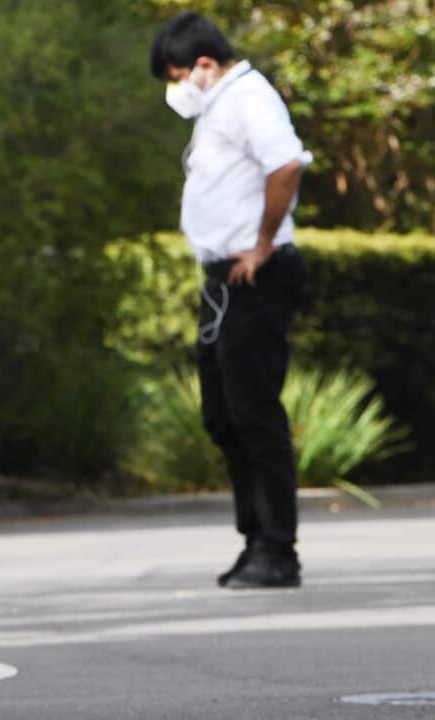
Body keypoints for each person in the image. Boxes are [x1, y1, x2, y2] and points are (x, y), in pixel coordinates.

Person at [150, 13, 311, 589]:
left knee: (255, 413)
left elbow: (286, 165)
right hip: (222, 280)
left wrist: (262, 246)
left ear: (203, 65)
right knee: (222, 415)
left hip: (254, 277)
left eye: (176, 76)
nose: (176, 91)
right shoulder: (221, 106)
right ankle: (254, 539)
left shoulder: (249, 98)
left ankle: (279, 548)